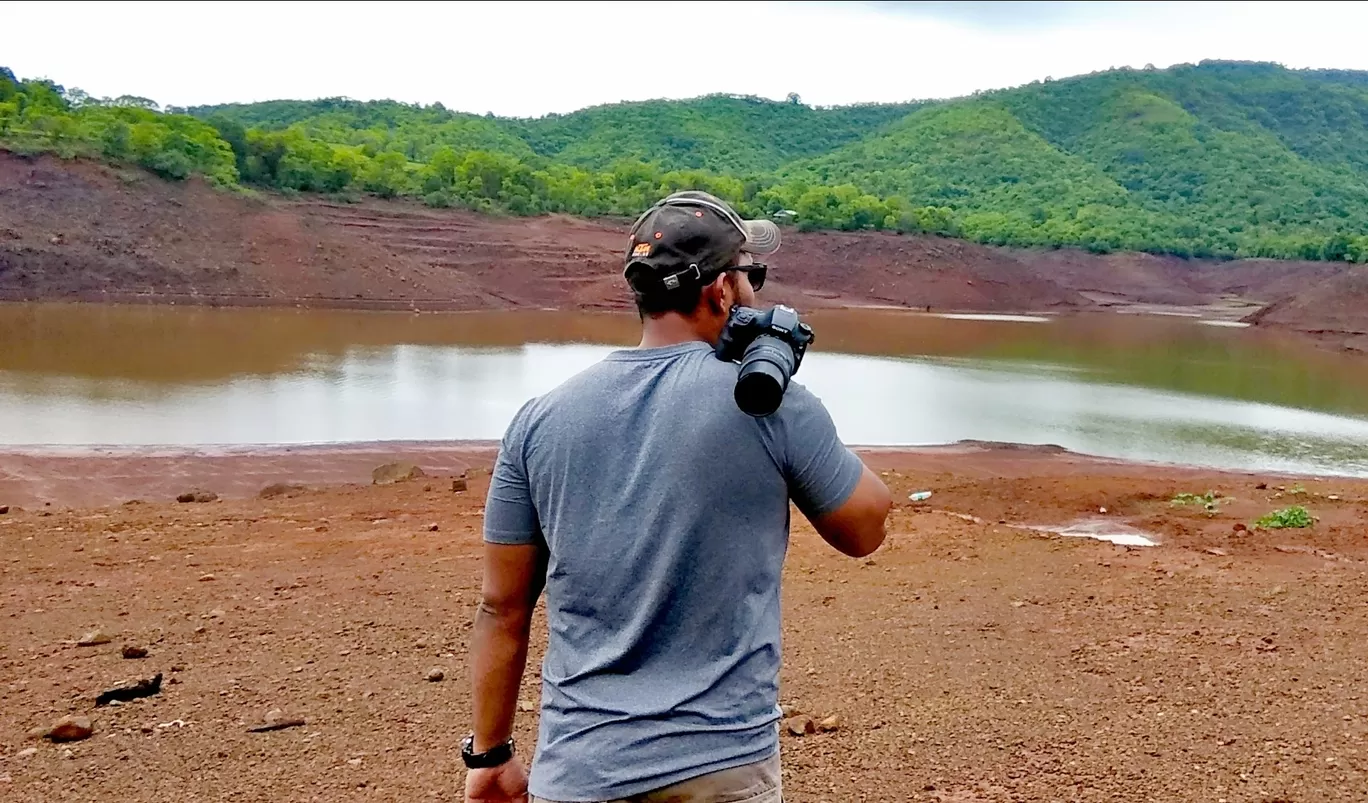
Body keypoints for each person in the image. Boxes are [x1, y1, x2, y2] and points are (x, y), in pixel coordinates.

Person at [463, 190, 893, 803]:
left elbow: (502, 608)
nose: (758, 291)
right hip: (721, 767)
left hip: (581, 769)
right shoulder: (767, 404)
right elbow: (866, 528)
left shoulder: (537, 420)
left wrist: (490, 756)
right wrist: (789, 393)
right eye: (753, 275)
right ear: (722, 291)